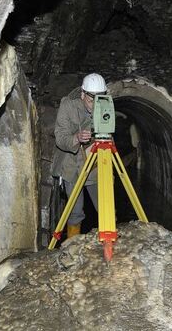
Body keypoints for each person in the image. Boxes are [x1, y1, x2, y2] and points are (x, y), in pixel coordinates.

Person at [52, 73, 108, 239]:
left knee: (106, 208)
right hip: (71, 165)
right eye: (91, 101)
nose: (94, 106)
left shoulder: (105, 105)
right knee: (75, 211)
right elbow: (60, 138)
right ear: (83, 94)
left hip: (95, 164)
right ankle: (72, 245)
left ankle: (109, 243)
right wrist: (76, 137)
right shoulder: (68, 106)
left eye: (98, 101)